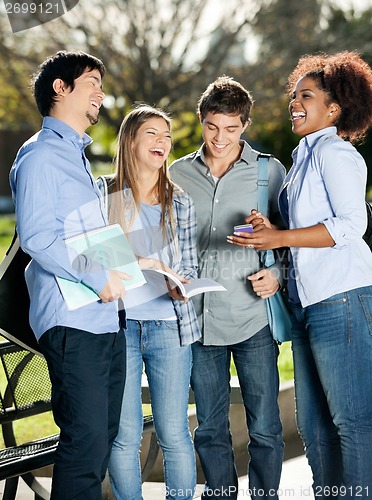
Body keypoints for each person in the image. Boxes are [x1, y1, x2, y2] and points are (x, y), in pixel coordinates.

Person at [231, 51, 372, 499]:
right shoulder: (302, 162)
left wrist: (281, 237)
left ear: (334, 108)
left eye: (306, 96)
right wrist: (270, 233)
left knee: (352, 422)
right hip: (309, 307)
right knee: (314, 426)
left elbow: (352, 225)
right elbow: (294, 238)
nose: (294, 103)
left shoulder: (335, 152)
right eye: (293, 95)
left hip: (344, 300)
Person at [9, 50, 129, 500]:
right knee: (86, 440)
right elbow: (38, 237)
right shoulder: (40, 156)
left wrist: (131, 278)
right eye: (92, 82)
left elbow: (88, 236)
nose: (101, 92)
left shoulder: (77, 159)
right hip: (72, 319)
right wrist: (100, 280)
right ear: (60, 88)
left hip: (102, 317)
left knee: (100, 438)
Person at [170, 76, 285, 500]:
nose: (221, 138)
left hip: (253, 316)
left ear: (246, 125)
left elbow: (291, 237)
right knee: (210, 427)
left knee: (266, 426)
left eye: (232, 129)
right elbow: (165, 238)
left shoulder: (267, 171)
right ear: (202, 120)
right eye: (213, 127)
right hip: (198, 322)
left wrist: (279, 275)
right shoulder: (177, 173)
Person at [100, 104, 201, 500]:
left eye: (167, 136)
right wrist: (140, 262)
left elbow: (188, 264)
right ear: (130, 140)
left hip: (169, 328)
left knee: (174, 432)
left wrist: (182, 283)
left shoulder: (180, 202)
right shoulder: (104, 193)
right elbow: (92, 257)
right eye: (152, 135)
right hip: (118, 327)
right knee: (124, 435)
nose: (162, 143)